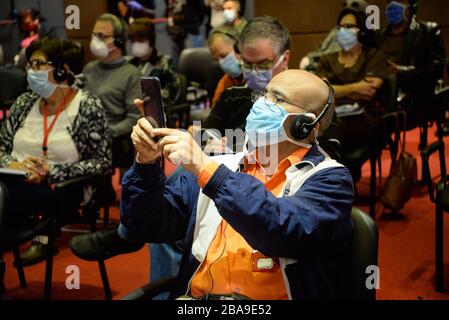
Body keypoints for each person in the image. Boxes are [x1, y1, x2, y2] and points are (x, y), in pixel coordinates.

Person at [114, 69, 353, 299]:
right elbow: (144, 225)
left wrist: (204, 168)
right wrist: (145, 163)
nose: (261, 103)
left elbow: (280, 231)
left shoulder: (331, 180)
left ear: (307, 125)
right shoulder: (223, 165)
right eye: (264, 94)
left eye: (277, 98)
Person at [0, 38, 112, 265]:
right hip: (14, 181)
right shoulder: (24, 103)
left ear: (63, 70)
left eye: (38, 64)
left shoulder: (87, 106)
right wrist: (12, 164)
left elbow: (103, 163)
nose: (31, 71)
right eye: (29, 65)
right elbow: (1, 147)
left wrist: (51, 171)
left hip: (62, 188)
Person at [315, 7, 388, 182]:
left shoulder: (374, 55)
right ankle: (328, 179)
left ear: (361, 31)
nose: (343, 31)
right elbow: (320, 91)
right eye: (341, 26)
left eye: (349, 26)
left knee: (326, 130)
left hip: (364, 118)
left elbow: (369, 91)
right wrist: (356, 88)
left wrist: (333, 90)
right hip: (332, 115)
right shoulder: (327, 59)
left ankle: (336, 179)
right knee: (316, 126)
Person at [376, 0, 446, 135]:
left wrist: (401, 71)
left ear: (412, 8)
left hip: (415, 92)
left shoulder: (428, 31)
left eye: (399, 2)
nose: (392, 6)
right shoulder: (379, 35)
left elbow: (436, 68)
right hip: (382, 91)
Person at [83, 13, 141, 172]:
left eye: (101, 36)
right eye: (94, 35)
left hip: (113, 137)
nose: (95, 40)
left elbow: (133, 119)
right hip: (84, 133)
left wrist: (102, 132)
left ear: (119, 40)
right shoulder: (89, 69)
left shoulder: (131, 74)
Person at [299, 0, 369, 72]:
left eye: (349, 26)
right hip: (324, 64)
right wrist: (310, 58)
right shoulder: (337, 30)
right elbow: (321, 49)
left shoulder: (366, 34)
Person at [128, 17, 183, 106]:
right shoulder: (130, 64)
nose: (136, 44)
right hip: (131, 109)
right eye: (133, 41)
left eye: (140, 40)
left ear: (151, 40)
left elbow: (172, 93)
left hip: (156, 111)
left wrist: (151, 97)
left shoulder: (165, 62)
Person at [207, 26, 244, 108]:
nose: (221, 63)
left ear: (239, 48)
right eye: (217, 60)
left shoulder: (260, 78)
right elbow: (213, 117)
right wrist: (196, 121)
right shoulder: (224, 84)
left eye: (224, 56)